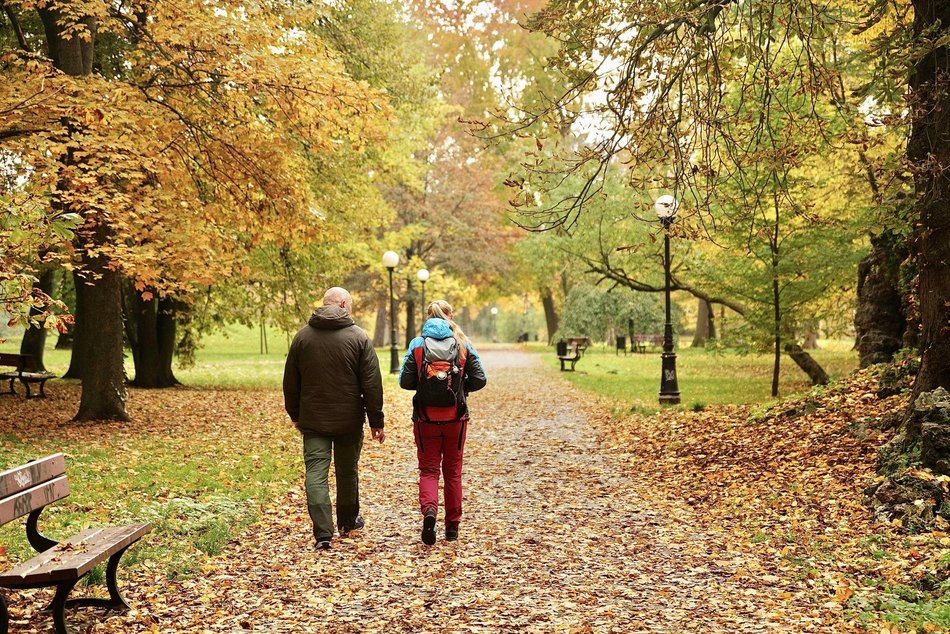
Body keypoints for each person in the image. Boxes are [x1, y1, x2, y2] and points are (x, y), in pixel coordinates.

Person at [283, 287, 385, 550]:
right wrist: (376, 421)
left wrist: (295, 415)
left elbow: (291, 383)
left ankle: (323, 533)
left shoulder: (302, 338)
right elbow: (372, 383)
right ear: (342, 304)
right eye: (349, 305)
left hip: (313, 420)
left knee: (315, 473)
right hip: (349, 420)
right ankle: (348, 522)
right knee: (347, 471)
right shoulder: (358, 337)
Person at [399, 300, 486, 545]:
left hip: (425, 418)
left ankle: (429, 512)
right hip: (455, 419)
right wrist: (458, 389)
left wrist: (426, 385)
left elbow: (405, 382)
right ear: (450, 317)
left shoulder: (417, 345)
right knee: (453, 472)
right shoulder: (462, 344)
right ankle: (452, 528)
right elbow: (480, 379)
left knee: (428, 470)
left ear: (428, 318)